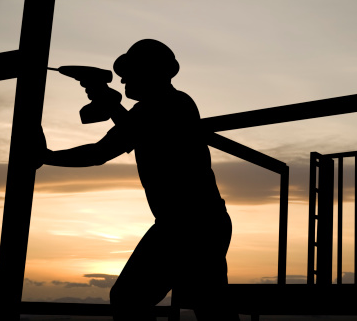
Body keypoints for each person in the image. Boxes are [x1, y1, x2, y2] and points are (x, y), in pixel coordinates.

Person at [41, 39, 239, 320]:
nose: (122, 80)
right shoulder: (155, 109)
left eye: (129, 73)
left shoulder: (171, 104)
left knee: (130, 298)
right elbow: (115, 143)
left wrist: (46, 155)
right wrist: (108, 106)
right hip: (194, 223)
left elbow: (122, 143)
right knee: (209, 306)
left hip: (189, 225)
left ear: (149, 73)